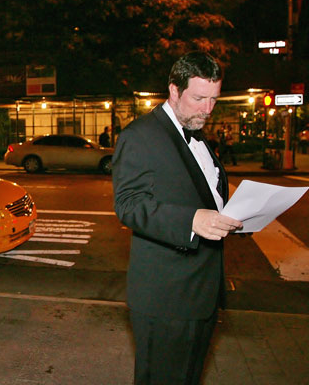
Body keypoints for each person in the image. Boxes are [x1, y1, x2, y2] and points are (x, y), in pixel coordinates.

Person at [112, 52, 243, 385]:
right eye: (199, 98)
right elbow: (128, 205)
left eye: (214, 99)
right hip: (166, 298)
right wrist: (191, 221)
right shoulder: (140, 135)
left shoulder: (196, 132)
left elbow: (203, 194)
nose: (208, 109)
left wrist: (234, 215)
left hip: (202, 293)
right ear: (173, 90)